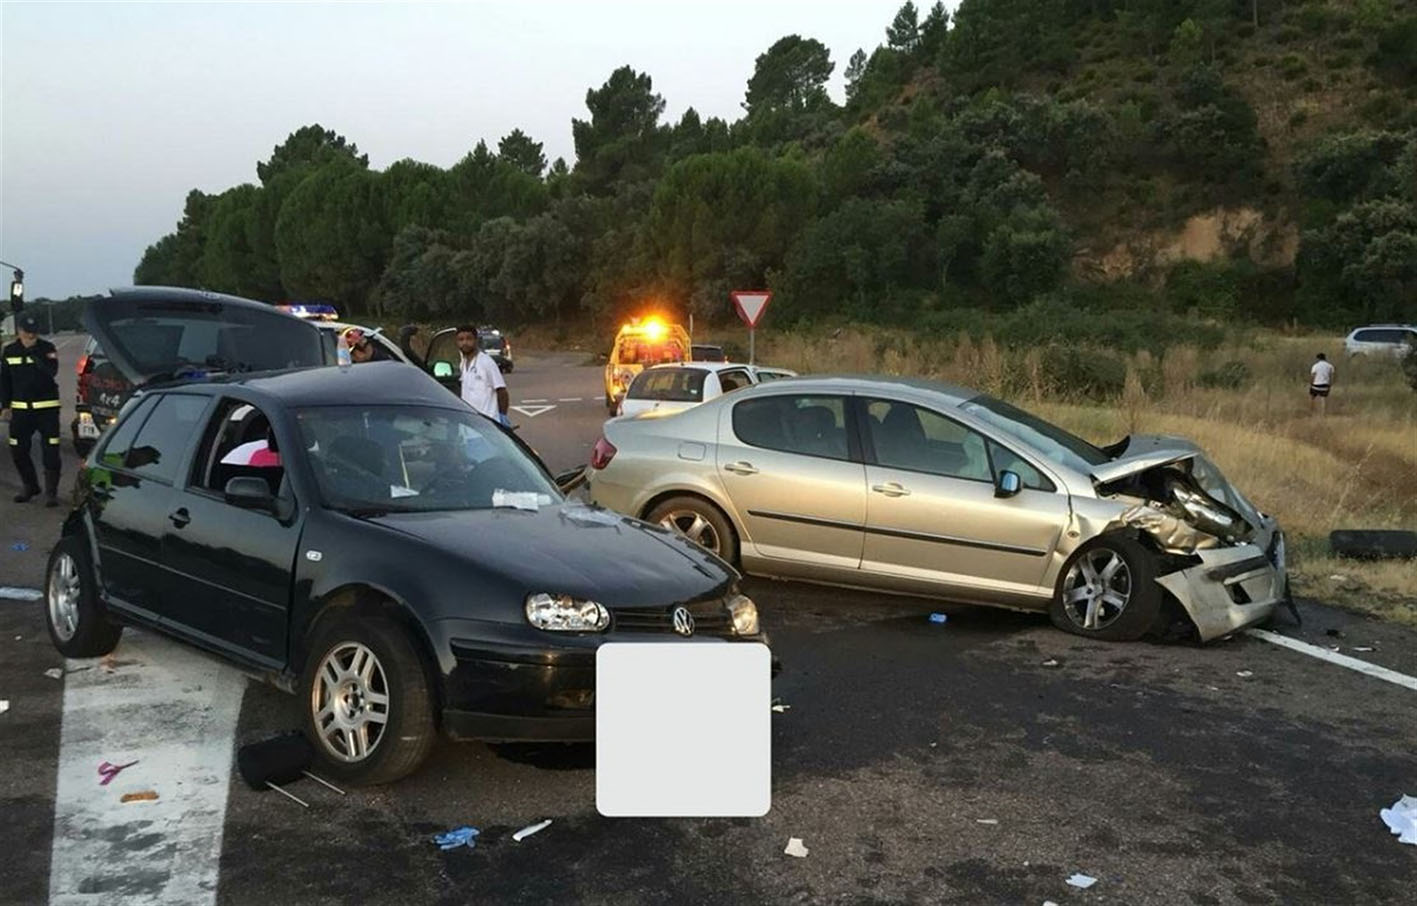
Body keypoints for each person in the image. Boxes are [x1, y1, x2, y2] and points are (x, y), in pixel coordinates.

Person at [1, 314, 63, 505]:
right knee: (18, 450)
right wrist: (5, 406)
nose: (31, 335)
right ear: (19, 331)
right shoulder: (9, 351)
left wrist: (34, 355)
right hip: (20, 410)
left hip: (47, 409)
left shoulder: (47, 348)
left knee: (51, 450)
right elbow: (5, 381)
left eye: (34, 332)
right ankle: (30, 486)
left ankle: (51, 493)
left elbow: (52, 372)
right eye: (27, 332)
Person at [454, 325, 510, 426]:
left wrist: (502, 415)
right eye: (461, 340)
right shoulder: (463, 364)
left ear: (476, 340)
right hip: (471, 423)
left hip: (488, 423)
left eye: (469, 339)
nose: (465, 343)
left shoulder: (486, 362)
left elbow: (502, 391)